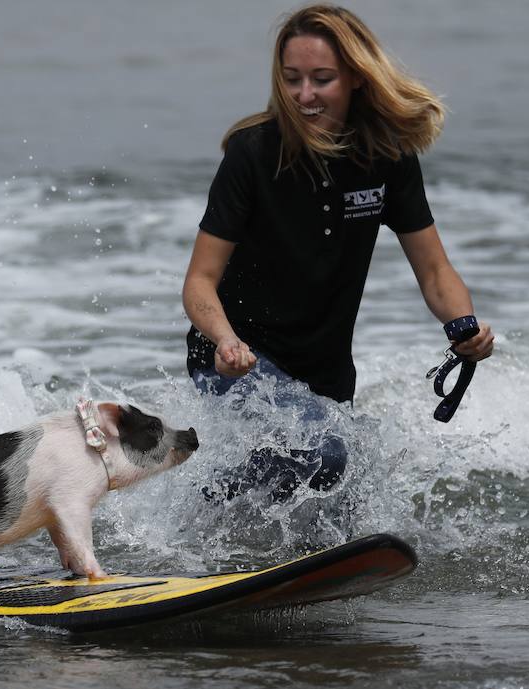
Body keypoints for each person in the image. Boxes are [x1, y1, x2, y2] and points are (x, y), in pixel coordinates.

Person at [182, 4, 494, 502]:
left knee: (346, 487)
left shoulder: (387, 157)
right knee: (325, 455)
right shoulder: (253, 154)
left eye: (322, 79)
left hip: (325, 371)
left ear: (355, 78)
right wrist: (224, 341)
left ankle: (248, 534)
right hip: (235, 359)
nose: (305, 95)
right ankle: (207, 504)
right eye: (292, 79)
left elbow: (435, 270)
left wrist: (465, 326)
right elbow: (199, 280)